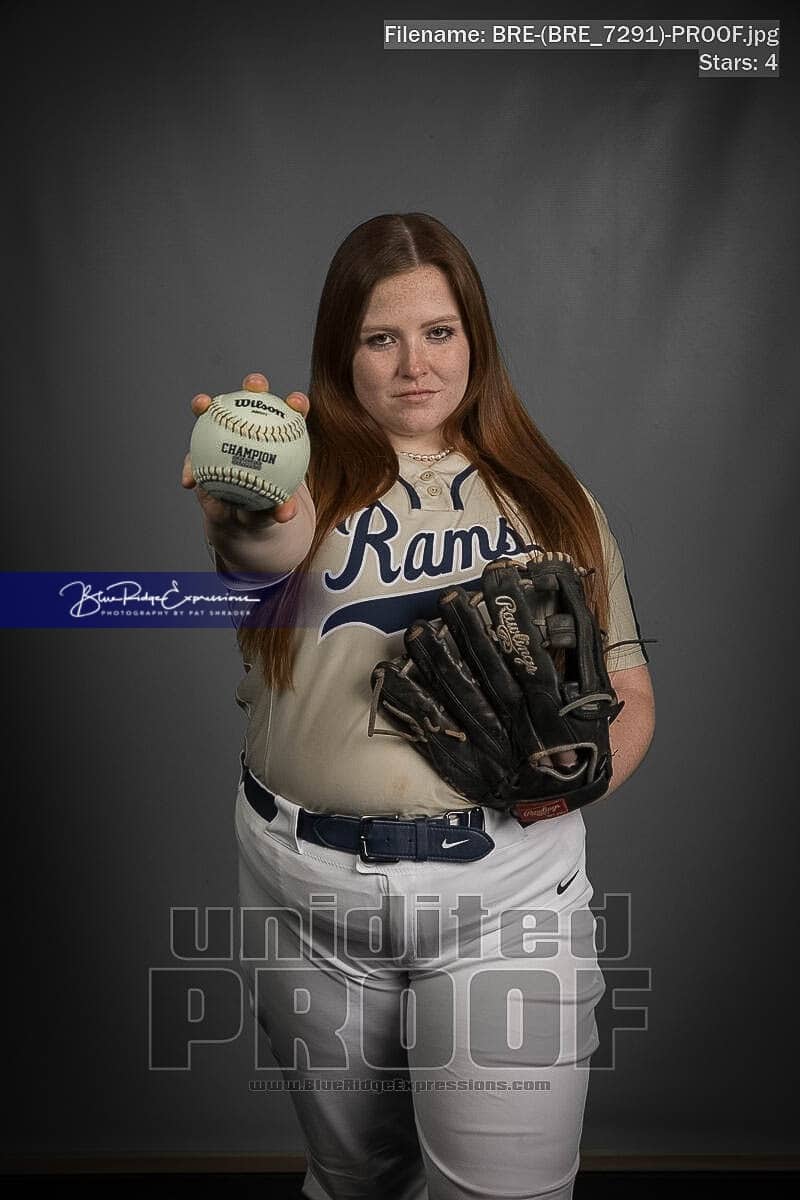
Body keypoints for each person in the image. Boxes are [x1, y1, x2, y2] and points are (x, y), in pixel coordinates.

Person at [181, 212, 656, 1200]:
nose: (414, 365)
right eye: (379, 338)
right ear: (340, 350)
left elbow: (629, 690)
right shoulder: (302, 480)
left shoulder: (553, 498)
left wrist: (562, 784)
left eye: (438, 331)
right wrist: (245, 513)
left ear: (473, 338)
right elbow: (263, 547)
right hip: (303, 892)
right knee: (355, 1179)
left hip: (505, 890)